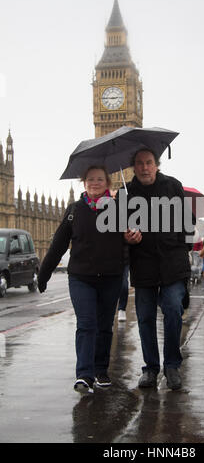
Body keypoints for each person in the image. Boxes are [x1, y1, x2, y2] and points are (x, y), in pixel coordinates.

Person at [38, 166, 124, 394]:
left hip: (110, 277)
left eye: (99, 179)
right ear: (83, 183)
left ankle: (100, 370)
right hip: (81, 277)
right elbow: (58, 244)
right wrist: (44, 273)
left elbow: (131, 242)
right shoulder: (74, 210)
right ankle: (84, 374)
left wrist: (132, 236)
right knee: (86, 324)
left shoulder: (119, 209)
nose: (94, 183)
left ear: (108, 183)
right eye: (90, 179)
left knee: (105, 327)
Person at [123, 148, 193, 391]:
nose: (144, 167)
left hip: (172, 263)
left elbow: (189, 222)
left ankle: (172, 365)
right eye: (140, 163)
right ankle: (150, 369)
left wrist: (179, 245)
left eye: (149, 163)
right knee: (144, 317)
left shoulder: (173, 186)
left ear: (157, 164)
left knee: (173, 309)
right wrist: (128, 237)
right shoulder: (125, 193)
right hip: (143, 265)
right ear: (133, 167)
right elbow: (117, 231)